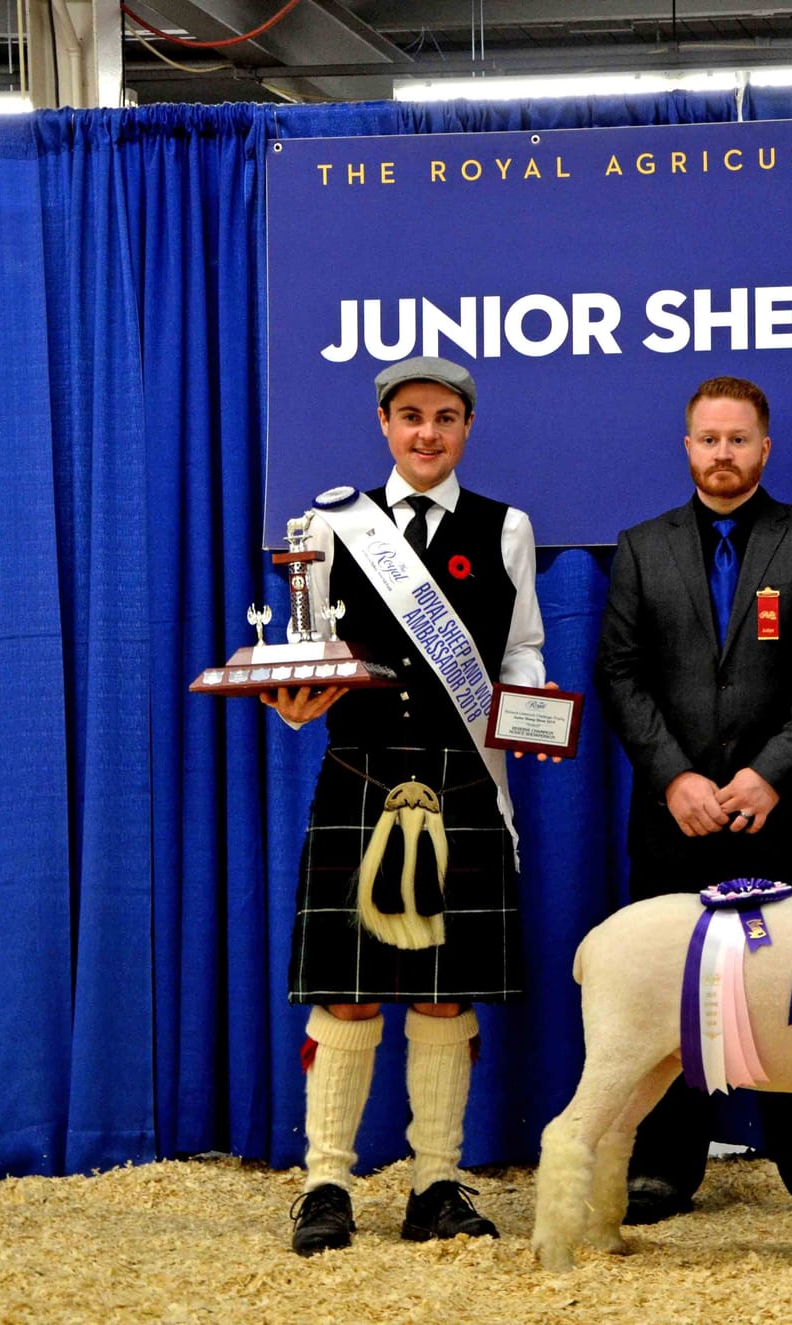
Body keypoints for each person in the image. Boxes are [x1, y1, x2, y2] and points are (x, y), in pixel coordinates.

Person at [265, 355, 551, 1256]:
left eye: (446, 417)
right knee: (347, 995)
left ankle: (436, 1180)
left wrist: (532, 711)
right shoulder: (330, 523)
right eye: (410, 416)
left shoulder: (504, 528)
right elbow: (309, 651)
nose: (428, 433)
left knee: (441, 993)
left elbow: (523, 654)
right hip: (360, 771)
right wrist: (295, 698)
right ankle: (326, 1183)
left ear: (467, 427)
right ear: (384, 424)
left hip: (462, 776)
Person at [593, 375, 792, 1224]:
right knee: (673, 987)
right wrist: (675, 775)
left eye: (738, 439)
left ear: (764, 447)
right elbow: (621, 674)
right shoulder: (641, 547)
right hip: (677, 815)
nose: (723, 453)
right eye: (708, 439)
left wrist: (770, 772)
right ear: (688, 447)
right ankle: (665, 1166)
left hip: (788, 811)